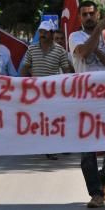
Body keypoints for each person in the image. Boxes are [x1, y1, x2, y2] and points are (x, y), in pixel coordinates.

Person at [69, 0, 105, 208]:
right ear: (80, 17)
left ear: (97, 14)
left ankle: (104, 179)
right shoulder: (75, 37)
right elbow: (83, 52)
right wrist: (98, 33)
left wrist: (101, 46)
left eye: (92, 14)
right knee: (87, 150)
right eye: (84, 15)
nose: (89, 18)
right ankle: (95, 193)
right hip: (85, 100)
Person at [21, 21, 73, 160]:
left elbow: (67, 70)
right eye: (41, 32)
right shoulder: (31, 49)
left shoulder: (60, 51)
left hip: (53, 92)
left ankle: (51, 148)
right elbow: (24, 68)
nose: (42, 34)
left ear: (51, 33)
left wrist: (72, 84)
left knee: (52, 120)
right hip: (36, 93)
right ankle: (43, 145)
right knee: (40, 120)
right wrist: (21, 83)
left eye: (45, 32)